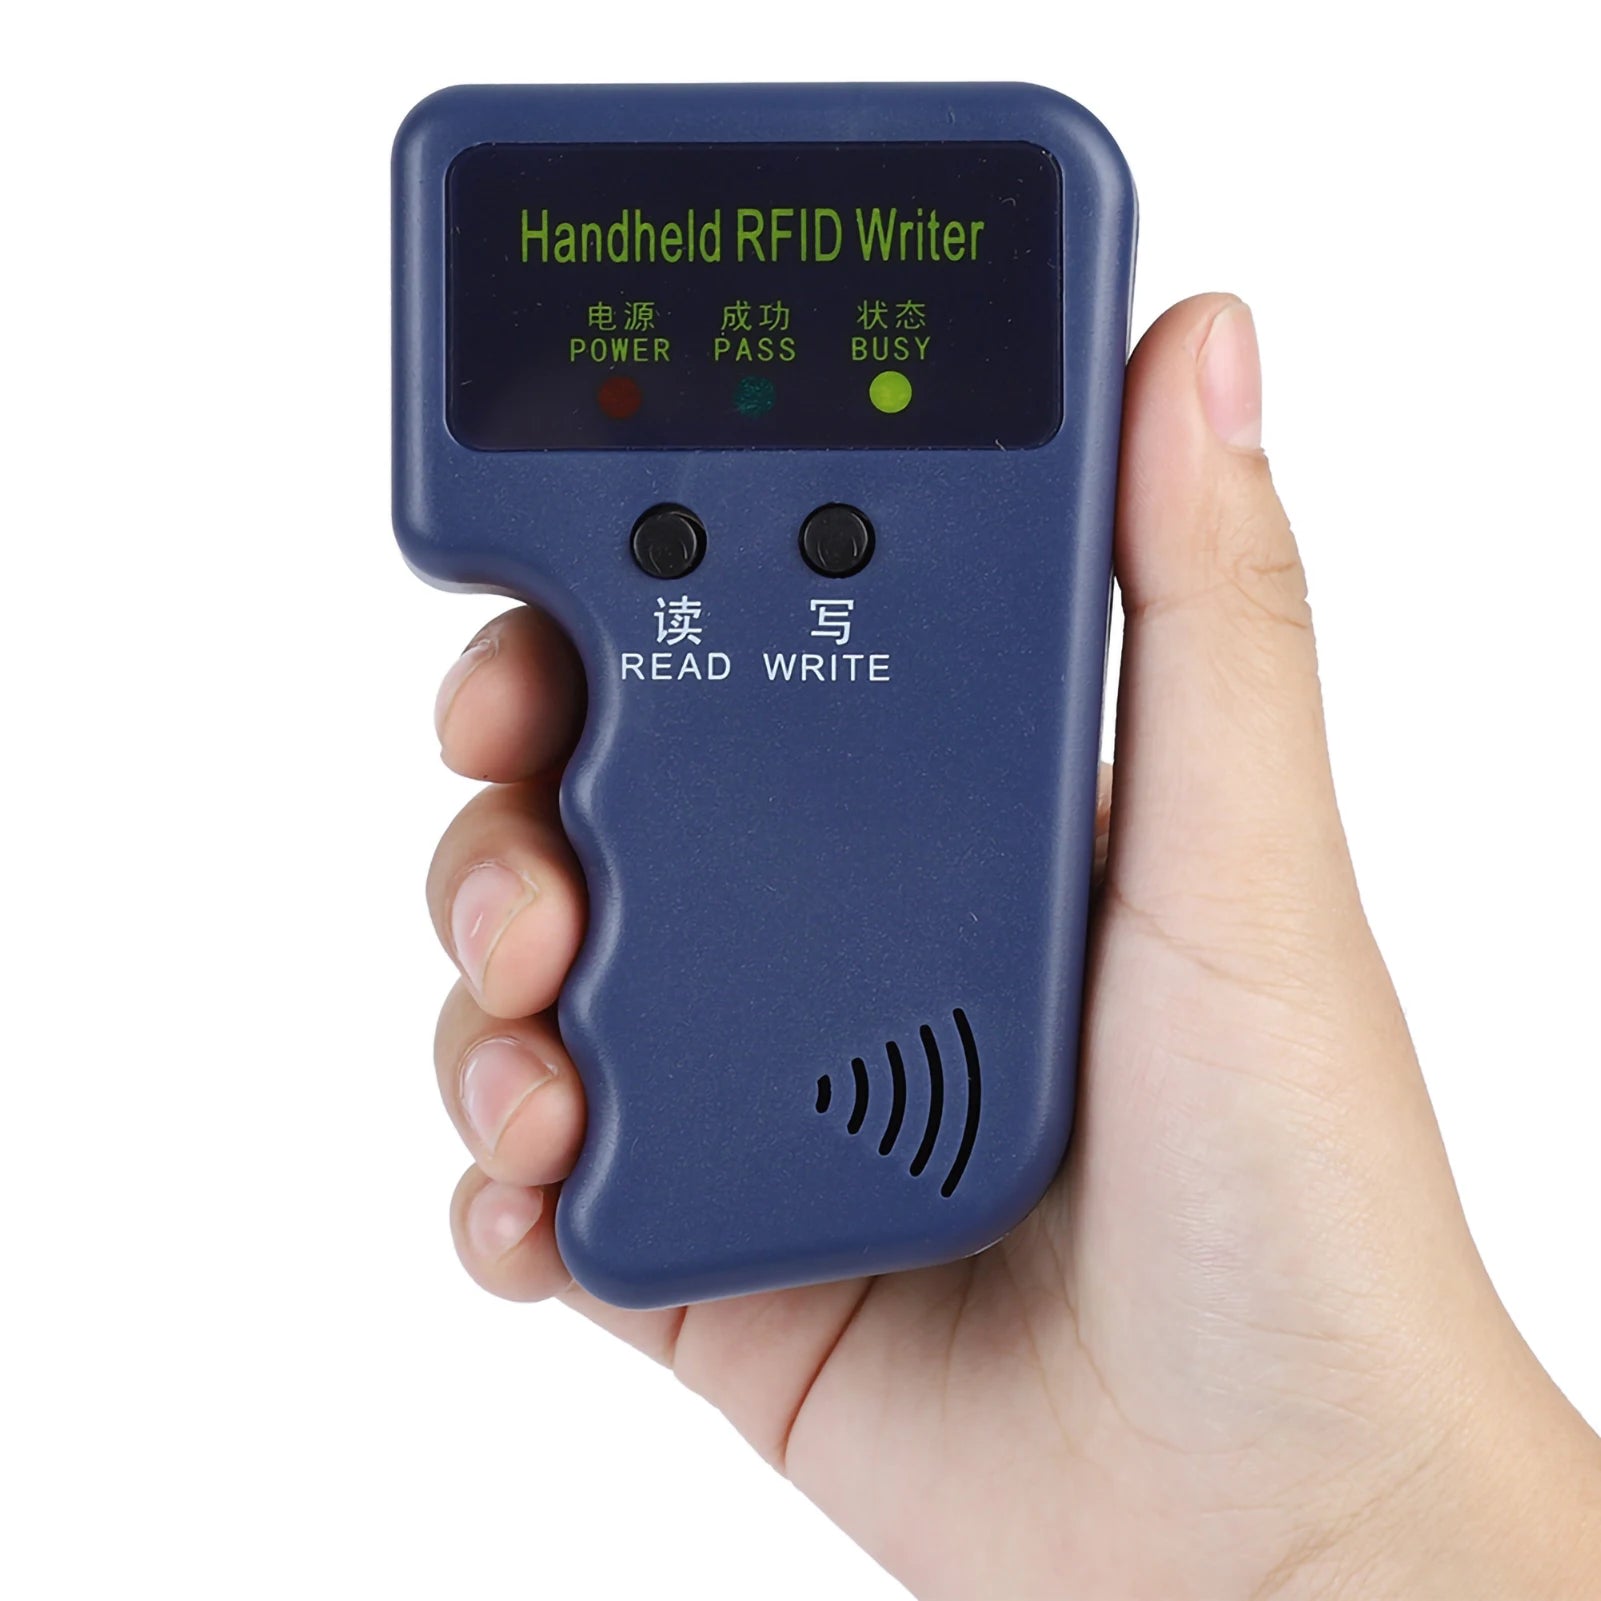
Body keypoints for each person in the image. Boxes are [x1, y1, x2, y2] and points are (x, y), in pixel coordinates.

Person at [422, 294, 1601, 1597]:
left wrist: (1333, 1536)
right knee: (522, 796)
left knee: (519, 815)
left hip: (1017, 1251)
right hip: (959, 1270)